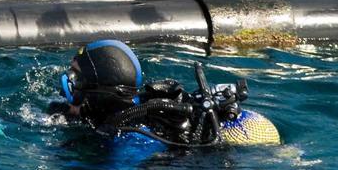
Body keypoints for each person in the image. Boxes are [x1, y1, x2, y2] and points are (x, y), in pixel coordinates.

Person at [50, 40, 282, 149]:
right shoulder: (142, 103)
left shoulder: (129, 138)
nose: (66, 91)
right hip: (251, 128)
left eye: (74, 81)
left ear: (96, 95)